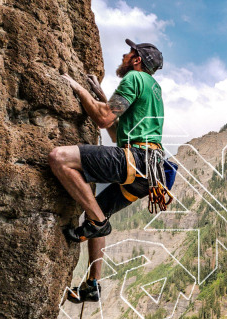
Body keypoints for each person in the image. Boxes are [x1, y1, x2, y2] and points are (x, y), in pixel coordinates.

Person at [49, 39, 167, 303]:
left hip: (136, 159)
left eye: (130, 52)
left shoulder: (135, 79)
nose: (125, 55)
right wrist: (102, 97)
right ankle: (93, 284)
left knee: (59, 157)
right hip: (149, 173)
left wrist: (78, 89)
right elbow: (115, 132)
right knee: (95, 214)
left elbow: (103, 118)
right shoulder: (153, 88)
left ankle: (98, 223)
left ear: (137, 60)